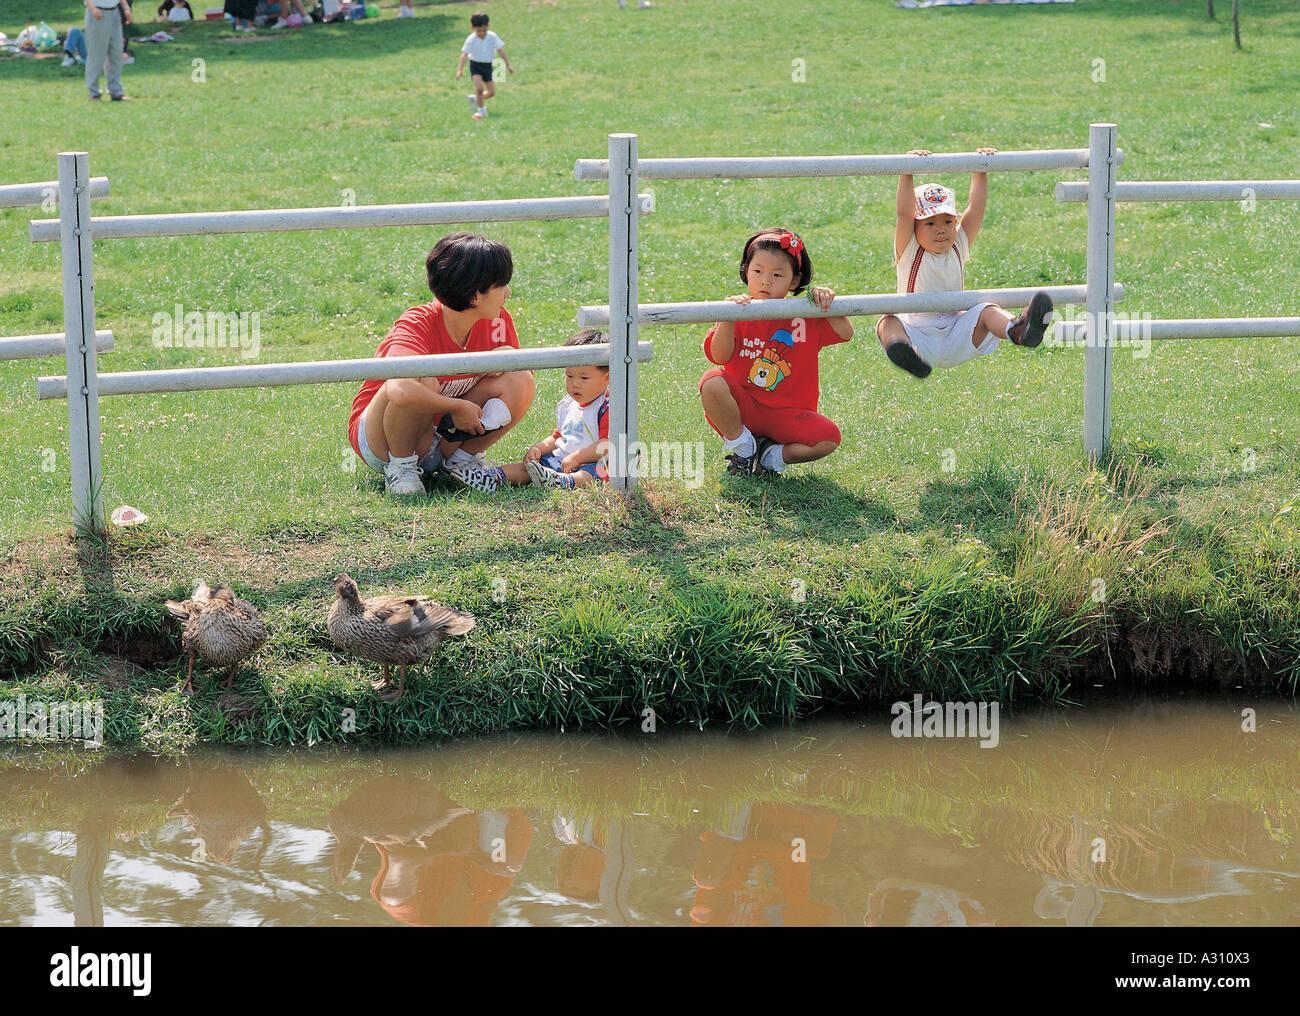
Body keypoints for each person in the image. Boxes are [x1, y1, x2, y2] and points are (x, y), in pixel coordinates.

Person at [347, 232, 536, 497]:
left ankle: (461, 462)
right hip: (383, 441)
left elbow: (516, 383)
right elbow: (399, 391)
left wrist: (505, 359)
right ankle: (401, 468)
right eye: (501, 285)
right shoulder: (418, 322)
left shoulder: (497, 321)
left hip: (441, 433)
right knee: (422, 376)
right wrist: (456, 406)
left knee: (520, 375)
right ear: (474, 296)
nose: (508, 292)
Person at [876, 148, 1054, 380]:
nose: (941, 229)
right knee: (888, 322)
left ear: (955, 222)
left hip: (957, 330)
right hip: (917, 332)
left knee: (986, 309)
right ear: (915, 227)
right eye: (929, 224)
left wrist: (980, 168)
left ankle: (1018, 330)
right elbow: (904, 213)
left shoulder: (958, 243)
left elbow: (976, 209)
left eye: (948, 221)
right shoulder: (909, 249)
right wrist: (907, 170)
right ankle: (903, 352)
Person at [699, 229, 853, 477]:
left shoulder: (804, 312)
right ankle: (743, 448)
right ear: (745, 270)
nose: (765, 281)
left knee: (828, 438)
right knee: (711, 381)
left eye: (777, 274)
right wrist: (727, 318)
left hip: (789, 414)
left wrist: (827, 303)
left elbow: (846, 333)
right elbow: (719, 357)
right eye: (757, 271)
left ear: (794, 281)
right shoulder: (738, 310)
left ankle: (770, 457)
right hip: (744, 409)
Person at [455, 11, 512, 121]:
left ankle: (475, 100)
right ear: (472, 27)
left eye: (484, 30)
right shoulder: (471, 39)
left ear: (488, 26)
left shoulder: (492, 36)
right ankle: (482, 111)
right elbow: (464, 54)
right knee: (479, 88)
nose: (481, 33)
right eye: (478, 31)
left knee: (491, 93)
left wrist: (508, 65)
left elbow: (500, 50)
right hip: (475, 65)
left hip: (487, 65)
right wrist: (459, 70)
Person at [84, 0, 129, 100]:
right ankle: (94, 92)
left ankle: (116, 92)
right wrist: (92, 8)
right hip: (98, 11)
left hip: (115, 12)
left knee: (116, 53)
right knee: (96, 55)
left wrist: (126, 8)